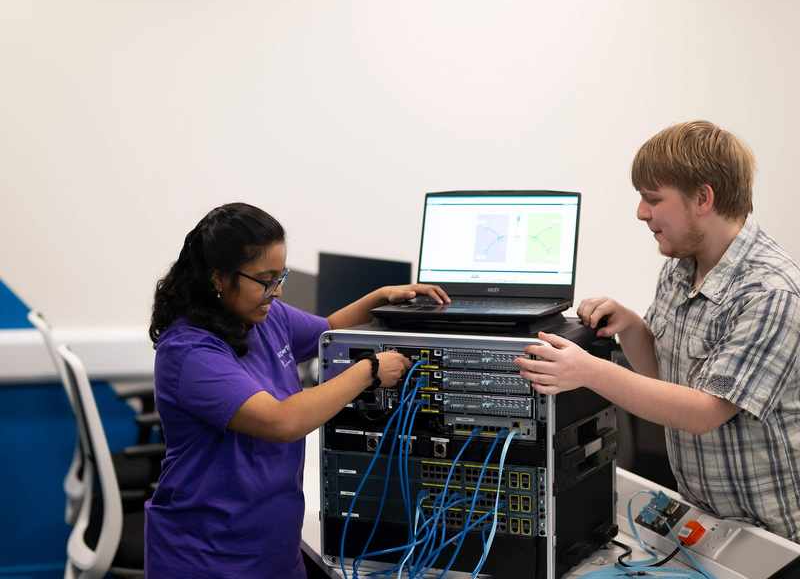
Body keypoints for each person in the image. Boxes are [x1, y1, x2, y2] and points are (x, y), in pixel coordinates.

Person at [515, 121, 800, 541]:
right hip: (706, 521)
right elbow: (664, 381)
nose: (641, 213)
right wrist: (632, 327)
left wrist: (588, 371)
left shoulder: (772, 291)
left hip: (773, 538)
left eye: (652, 199)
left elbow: (703, 412)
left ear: (703, 198)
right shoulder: (680, 267)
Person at [145, 202, 450, 577]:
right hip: (210, 557)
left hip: (273, 551)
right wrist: (368, 370)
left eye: (281, 275)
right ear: (218, 279)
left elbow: (331, 326)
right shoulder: (190, 352)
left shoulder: (264, 317)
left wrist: (380, 298)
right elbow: (280, 421)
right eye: (265, 279)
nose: (277, 290)